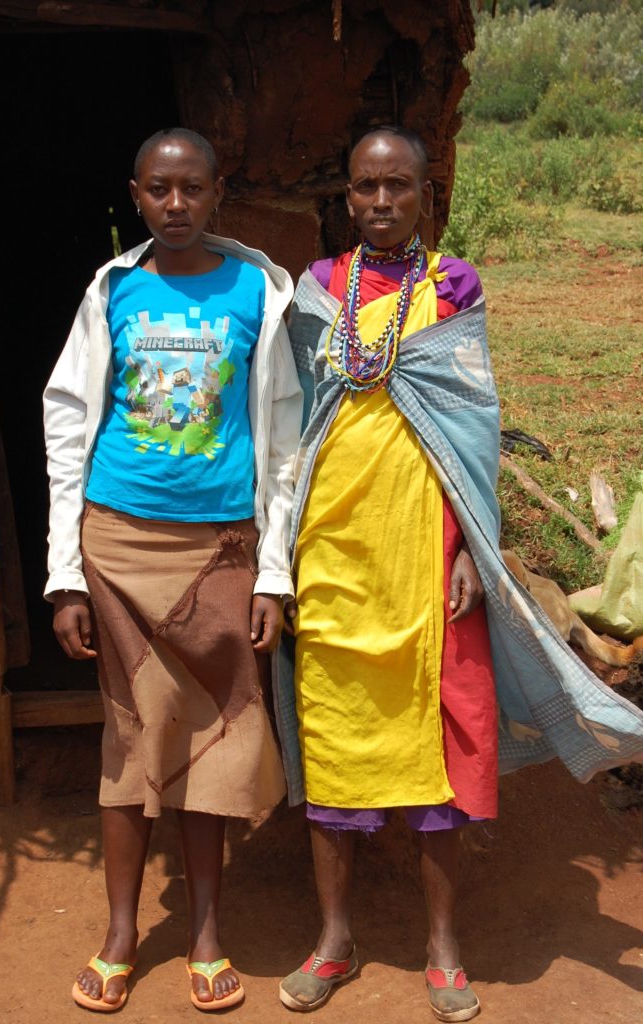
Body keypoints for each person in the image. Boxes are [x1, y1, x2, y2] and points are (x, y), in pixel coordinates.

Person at [275, 124, 643, 1021]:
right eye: (366, 186)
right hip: (333, 553)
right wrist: (281, 559)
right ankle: (334, 941)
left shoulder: (452, 287)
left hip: (429, 555)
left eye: (398, 185)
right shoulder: (316, 291)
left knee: (443, 755)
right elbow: (292, 429)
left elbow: (473, 429)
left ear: (425, 194)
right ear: (346, 196)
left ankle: (443, 949)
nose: (381, 202)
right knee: (335, 749)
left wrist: (473, 550)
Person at [44, 127, 302, 1013]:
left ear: (219, 192)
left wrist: (273, 573)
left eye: (192, 188)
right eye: (159, 189)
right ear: (136, 196)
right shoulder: (113, 291)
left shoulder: (257, 293)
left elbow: (283, 441)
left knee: (211, 739)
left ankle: (205, 933)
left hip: (219, 551)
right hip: (116, 544)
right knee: (130, 733)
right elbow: (68, 423)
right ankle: (121, 933)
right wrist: (64, 575)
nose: (176, 204)